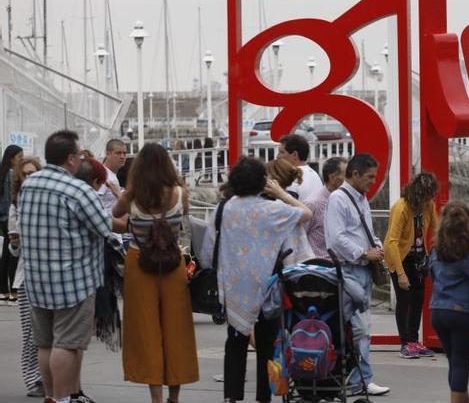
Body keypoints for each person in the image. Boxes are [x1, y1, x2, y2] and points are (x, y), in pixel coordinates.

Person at [204, 156, 313, 403]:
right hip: (267, 285)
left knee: (235, 343)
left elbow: (209, 248)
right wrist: (281, 194)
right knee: (266, 345)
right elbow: (306, 213)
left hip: (233, 287)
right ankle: (263, 397)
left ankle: (231, 396)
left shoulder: (224, 208)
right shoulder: (272, 209)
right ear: (262, 182)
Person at [19, 131, 113, 403]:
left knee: (45, 343)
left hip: (36, 280)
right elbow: (103, 227)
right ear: (71, 159)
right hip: (72, 281)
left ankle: (51, 395)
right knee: (67, 344)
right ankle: (62, 399)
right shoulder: (77, 190)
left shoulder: (29, 184)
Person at [112, 142, 199, 403]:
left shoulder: (132, 195)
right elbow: (183, 216)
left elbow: (116, 214)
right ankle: (175, 397)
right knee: (177, 329)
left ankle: (156, 399)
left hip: (139, 262)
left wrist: (122, 194)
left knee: (146, 330)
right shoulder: (178, 192)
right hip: (172, 263)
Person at [325, 153, 391, 396]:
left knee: (360, 326)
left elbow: (366, 230)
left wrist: (376, 246)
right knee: (359, 327)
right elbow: (336, 238)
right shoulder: (338, 199)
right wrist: (364, 252)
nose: (373, 181)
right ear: (354, 174)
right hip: (350, 268)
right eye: (369, 177)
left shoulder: (360, 197)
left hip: (361, 268)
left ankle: (358, 379)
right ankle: (359, 379)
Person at [429, 202, 469, 403]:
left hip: (438, 311)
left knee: (454, 362)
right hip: (462, 313)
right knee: (461, 363)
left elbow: (433, 276)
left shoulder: (435, 253)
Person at [384, 172, 439, 359]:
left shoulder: (429, 205)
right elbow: (392, 242)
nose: (430, 200)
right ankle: (405, 343)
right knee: (404, 299)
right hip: (399, 256)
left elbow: (435, 229)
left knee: (418, 299)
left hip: (418, 256)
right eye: (428, 196)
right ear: (419, 194)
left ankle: (414, 340)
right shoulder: (402, 207)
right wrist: (400, 274)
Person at [6, 156, 44, 397]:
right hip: (26, 277)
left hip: (49, 276)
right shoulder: (16, 206)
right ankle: (34, 380)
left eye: (33, 173)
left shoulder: (46, 201)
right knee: (31, 333)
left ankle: (48, 377)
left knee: (47, 335)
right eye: (25, 174)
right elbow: (14, 249)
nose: (29, 177)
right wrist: (16, 243)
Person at [303, 156, 347, 259]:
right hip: (320, 268)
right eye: (347, 175)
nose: (351, 179)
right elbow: (299, 238)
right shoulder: (313, 204)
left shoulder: (347, 201)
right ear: (332, 178)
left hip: (345, 266)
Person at [0, 143, 24, 303]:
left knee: (5, 256)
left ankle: (3, 290)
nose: (21, 161)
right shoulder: (10, 174)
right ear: (12, 158)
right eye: (19, 158)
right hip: (8, 219)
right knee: (11, 256)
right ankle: (11, 291)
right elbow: (10, 200)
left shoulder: (3, 173)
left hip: (2, 219)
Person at [278, 133, 322, 200]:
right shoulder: (315, 174)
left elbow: (286, 208)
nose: (278, 156)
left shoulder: (291, 178)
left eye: (282, 152)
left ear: (295, 154)